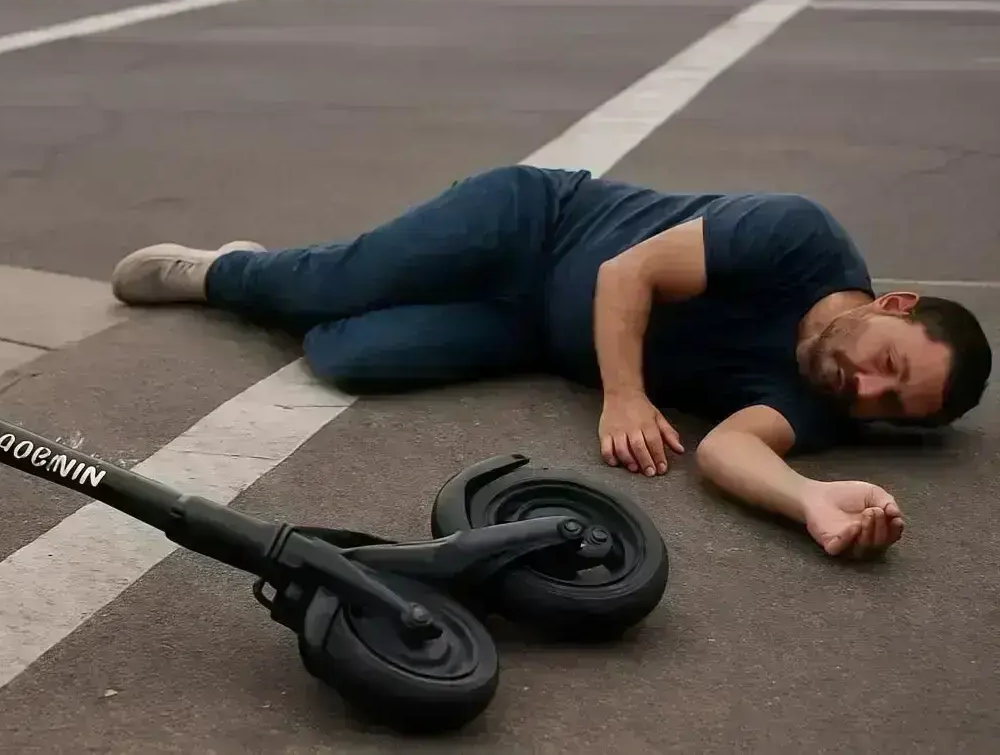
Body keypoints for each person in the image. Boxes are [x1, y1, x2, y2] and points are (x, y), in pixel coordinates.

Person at [109, 165, 992, 561]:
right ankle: (224, 270)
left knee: (349, 354)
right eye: (884, 361)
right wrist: (623, 396)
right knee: (331, 284)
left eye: (891, 405)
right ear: (895, 305)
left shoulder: (827, 403)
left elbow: (731, 448)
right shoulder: (796, 235)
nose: (864, 387)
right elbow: (628, 271)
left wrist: (812, 503)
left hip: (528, 327)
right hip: (535, 222)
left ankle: (304, 290)